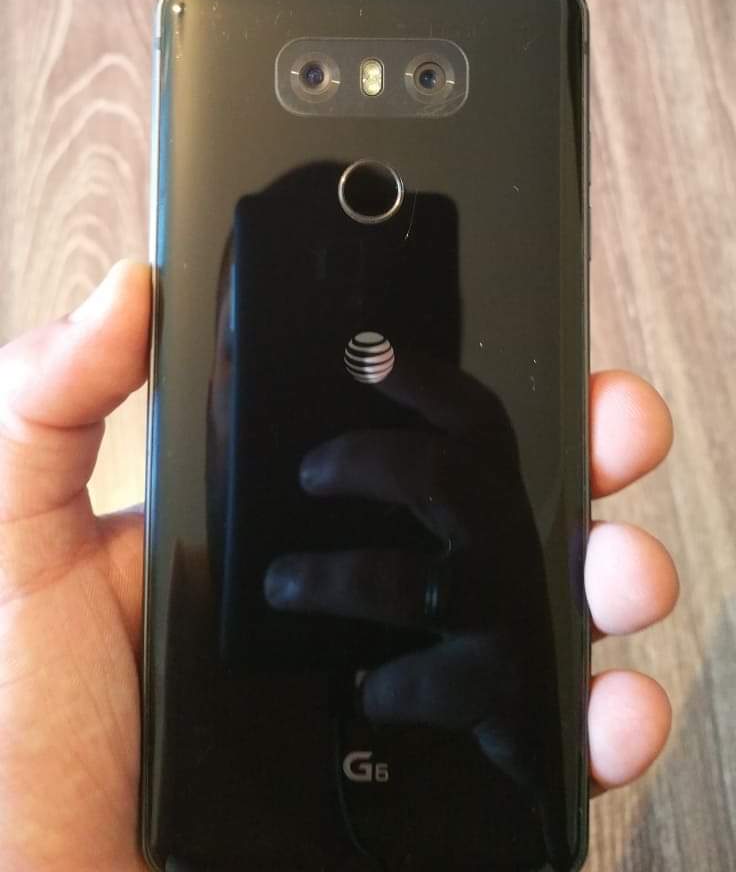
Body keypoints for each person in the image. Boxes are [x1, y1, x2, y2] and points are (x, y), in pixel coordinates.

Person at [0, 260, 679, 871]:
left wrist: (523, 780)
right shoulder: (156, 637)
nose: (314, 400)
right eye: (270, 355)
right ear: (207, 388)